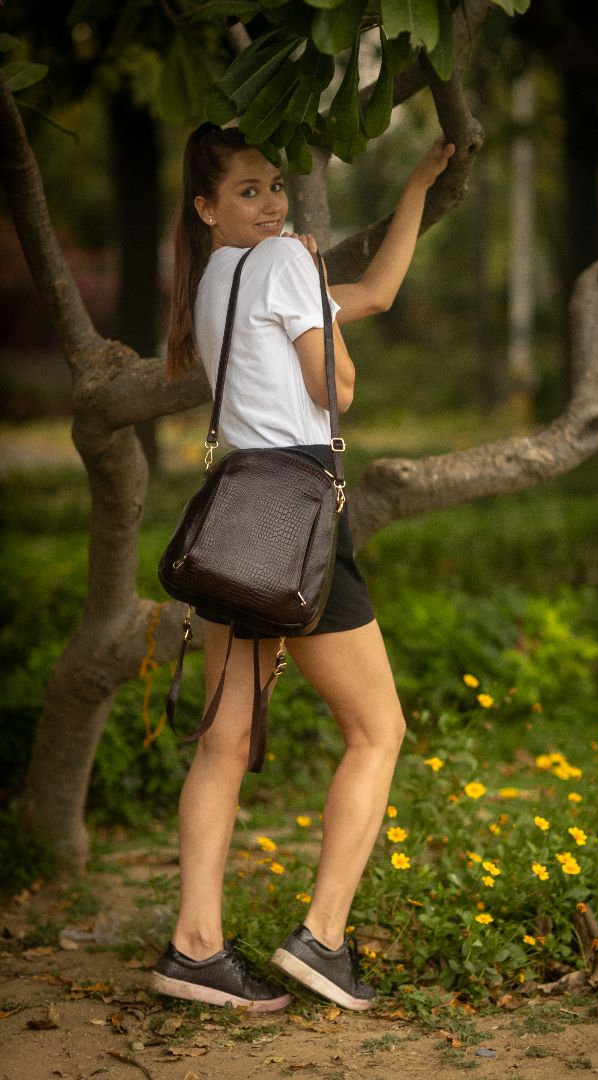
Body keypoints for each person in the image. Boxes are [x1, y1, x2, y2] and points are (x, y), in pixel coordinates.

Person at [151, 122, 454, 1014]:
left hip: (238, 515)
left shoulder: (213, 278)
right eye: (249, 191)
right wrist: (316, 299)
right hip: (301, 515)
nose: (273, 204)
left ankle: (194, 948)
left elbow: (379, 292)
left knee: (224, 740)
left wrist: (416, 189)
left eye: (275, 186)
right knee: (377, 730)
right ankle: (322, 938)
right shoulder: (282, 263)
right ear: (207, 207)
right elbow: (337, 391)